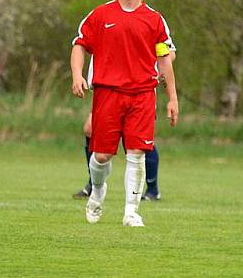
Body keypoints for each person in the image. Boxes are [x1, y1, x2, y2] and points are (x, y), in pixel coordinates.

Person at [70, 0, 178, 227]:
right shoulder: (100, 15)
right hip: (108, 94)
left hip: (142, 94)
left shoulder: (154, 20)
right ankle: (97, 191)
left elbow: (166, 58)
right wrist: (77, 75)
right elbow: (79, 45)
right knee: (102, 156)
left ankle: (131, 211)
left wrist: (173, 98)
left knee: (136, 153)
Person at [72, 47, 176, 201]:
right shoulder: (99, 22)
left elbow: (168, 53)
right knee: (90, 130)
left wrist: (143, 65)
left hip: (138, 91)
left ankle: (152, 190)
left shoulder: (152, 22)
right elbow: (80, 45)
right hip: (107, 89)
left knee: (137, 142)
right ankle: (94, 184)